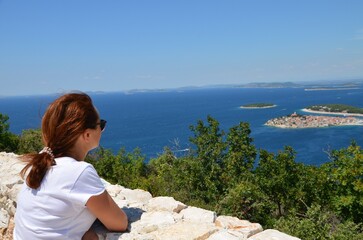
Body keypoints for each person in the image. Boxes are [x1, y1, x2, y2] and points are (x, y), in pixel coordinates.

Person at [14, 92, 128, 240]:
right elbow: (119, 223)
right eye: (101, 124)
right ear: (87, 135)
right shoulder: (79, 172)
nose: (102, 129)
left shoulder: (41, 160)